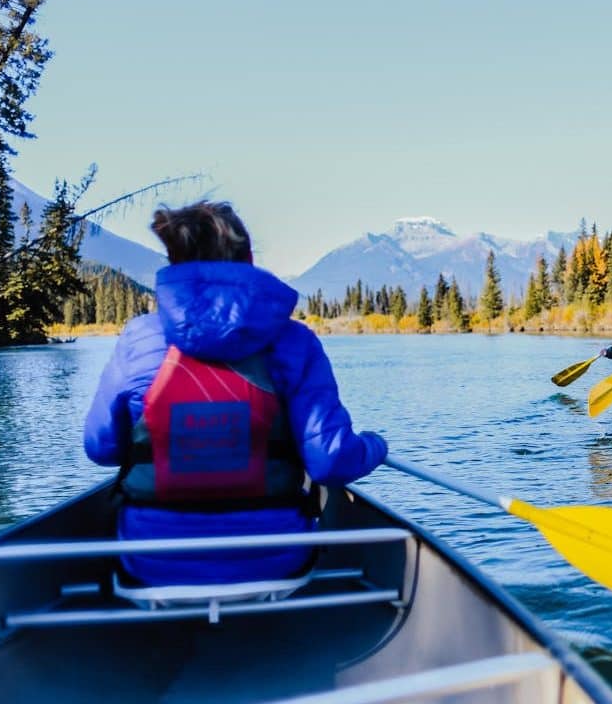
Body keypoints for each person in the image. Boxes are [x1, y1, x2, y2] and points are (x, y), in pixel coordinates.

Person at [83, 201, 388, 586]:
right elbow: (330, 463)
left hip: (151, 559)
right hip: (276, 559)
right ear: (249, 258)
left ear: (173, 260)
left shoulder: (139, 338)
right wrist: (377, 445)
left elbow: (100, 448)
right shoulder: (295, 342)